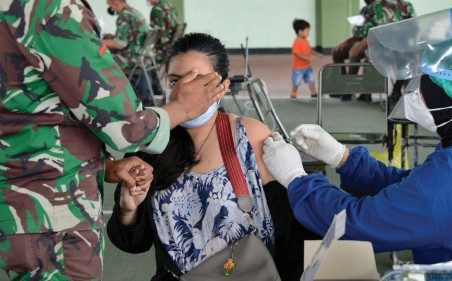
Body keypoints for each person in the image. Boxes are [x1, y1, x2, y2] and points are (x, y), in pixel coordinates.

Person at [0, 0, 225, 279]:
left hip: (21, 206)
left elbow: (26, 115)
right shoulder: (51, 8)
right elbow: (126, 128)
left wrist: (104, 166)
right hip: (51, 214)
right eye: (174, 80)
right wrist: (180, 108)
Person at [262, 11, 452, 266]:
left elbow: (356, 224)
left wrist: (296, 180)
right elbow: (409, 187)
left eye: (426, 83)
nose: (415, 91)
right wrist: (344, 158)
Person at [107, 32, 318, 281]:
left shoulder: (250, 137)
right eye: (175, 81)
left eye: (197, 80)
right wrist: (127, 208)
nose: (185, 92)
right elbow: (133, 243)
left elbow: (292, 237)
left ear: (223, 86)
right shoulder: (151, 143)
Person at [103, 0, 153, 105]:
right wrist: (111, 38)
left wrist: (98, 42)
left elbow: (120, 44)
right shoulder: (133, 12)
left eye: (110, 4)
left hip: (133, 57)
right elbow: (129, 38)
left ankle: (116, 103)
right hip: (145, 56)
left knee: (104, 65)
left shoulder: (124, 16)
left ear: (115, 2)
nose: (111, 8)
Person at [291, 19, 320, 99]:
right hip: (298, 68)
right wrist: (306, 57)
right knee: (296, 82)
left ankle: (313, 93)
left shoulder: (305, 41)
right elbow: (297, 53)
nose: (308, 33)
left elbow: (309, 50)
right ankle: (293, 93)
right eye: (307, 31)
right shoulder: (297, 42)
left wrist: (317, 54)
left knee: (311, 80)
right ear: (300, 32)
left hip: (307, 67)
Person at [148, 0, 179, 65]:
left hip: (165, 45)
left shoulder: (156, 9)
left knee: (149, 56)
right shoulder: (167, 3)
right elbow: (176, 14)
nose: (147, 1)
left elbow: (158, 30)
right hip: (174, 40)